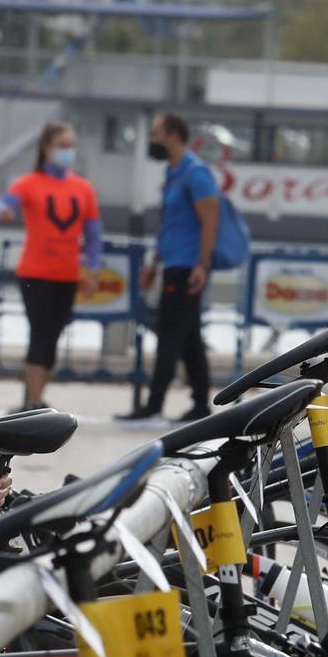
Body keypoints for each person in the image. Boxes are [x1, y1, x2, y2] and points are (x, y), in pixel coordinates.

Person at [0, 120, 101, 410]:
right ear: (46, 148)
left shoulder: (83, 188)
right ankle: (32, 400)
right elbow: (4, 203)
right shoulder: (28, 183)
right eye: (62, 147)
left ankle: (37, 396)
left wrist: (92, 269)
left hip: (66, 275)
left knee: (53, 335)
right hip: (35, 273)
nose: (68, 152)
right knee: (39, 333)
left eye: (71, 147)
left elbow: (93, 234)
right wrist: (2, 210)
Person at [121, 111, 219, 423]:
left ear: (174, 135)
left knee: (169, 335)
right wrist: (154, 263)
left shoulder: (195, 173)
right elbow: (171, 226)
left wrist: (202, 264)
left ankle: (154, 404)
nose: (153, 140)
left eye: (156, 133)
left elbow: (210, 220)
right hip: (173, 264)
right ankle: (201, 404)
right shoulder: (173, 173)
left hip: (188, 267)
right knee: (189, 339)